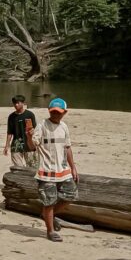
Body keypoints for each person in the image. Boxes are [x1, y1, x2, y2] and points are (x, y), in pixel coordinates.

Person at [26, 98, 78, 242]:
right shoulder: (42, 125)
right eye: (53, 112)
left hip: (63, 170)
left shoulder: (64, 127)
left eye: (59, 112)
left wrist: (73, 167)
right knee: (49, 201)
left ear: (64, 112)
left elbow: (67, 147)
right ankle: (50, 231)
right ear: (49, 111)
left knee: (71, 195)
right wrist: (29, 136)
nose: (56, 114)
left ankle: (48, 215)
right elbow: (32, 146)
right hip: (46, 171)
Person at [4, 95, 37, 167]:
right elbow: (9, 132)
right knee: (18, 168)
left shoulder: (30, 114)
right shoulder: (11, 116)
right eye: (14, 103)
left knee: (32, 167)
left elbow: (34, 129)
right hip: (16, 144)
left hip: (29, 143)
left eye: (18, 103)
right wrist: (7, 145)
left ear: (23, 103)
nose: (16, 105)